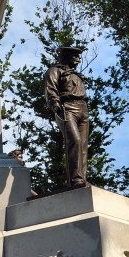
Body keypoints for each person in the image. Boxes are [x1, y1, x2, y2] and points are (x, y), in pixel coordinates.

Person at [42, 45, 89, 190]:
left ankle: (81, 178)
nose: (78, 60)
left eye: (78, 57)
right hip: (67, 108)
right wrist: (55, 105)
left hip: (83, 109)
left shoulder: (76, 75)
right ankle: (75, 180)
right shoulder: (54, 71)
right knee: (74, 140)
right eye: (75, 56)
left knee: (83, 146)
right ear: (67, 57)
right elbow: (50, 89)